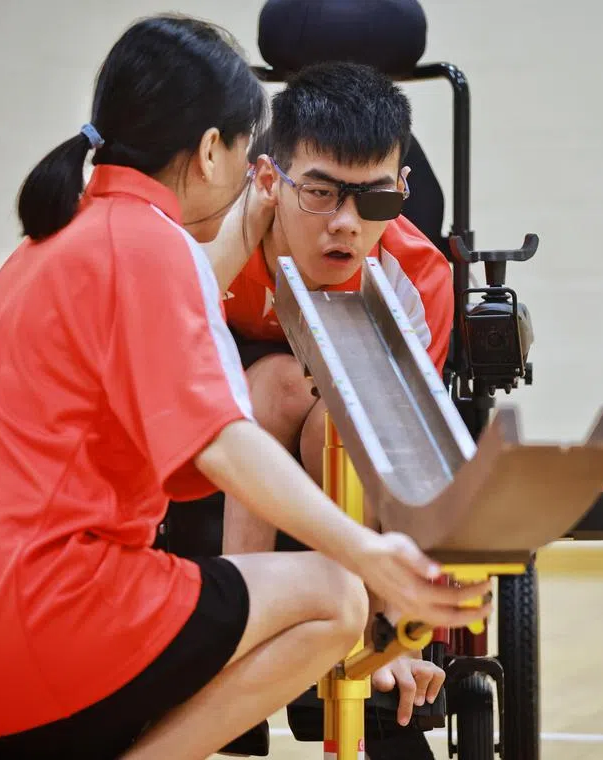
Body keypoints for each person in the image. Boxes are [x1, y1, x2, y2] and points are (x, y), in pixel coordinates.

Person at [0, 15, 489, 760]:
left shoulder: (49, 243)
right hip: (30, 628)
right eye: (248, 148)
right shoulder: (149, 247)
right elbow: (224, 442)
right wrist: (368, 557)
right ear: (214, 150)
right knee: (334, 599)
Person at [181, 60, 456, 738]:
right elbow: (160, 362)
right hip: (231, 425)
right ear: (270, 180)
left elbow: (402, 457)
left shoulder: (418, 279)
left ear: (402, 189)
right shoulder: (211, 239)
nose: (347, 224)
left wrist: (401, 626)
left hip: (338, 443)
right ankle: (240, 623)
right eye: (321, 194)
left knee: (342, 412)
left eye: (375, 200)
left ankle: (365, 632)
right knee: (271, 384)